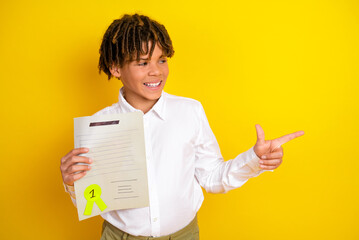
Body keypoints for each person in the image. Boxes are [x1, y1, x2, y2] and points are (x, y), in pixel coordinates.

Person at [60, 13, 304, 240]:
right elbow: (96, 199)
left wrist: (254, 159)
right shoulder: (98, 126)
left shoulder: (190, 112)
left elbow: (212, 177)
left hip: (183, 235)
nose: (156, 71)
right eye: (142, 63)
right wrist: (72, 183)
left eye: (162, 60)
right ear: (116, 68)